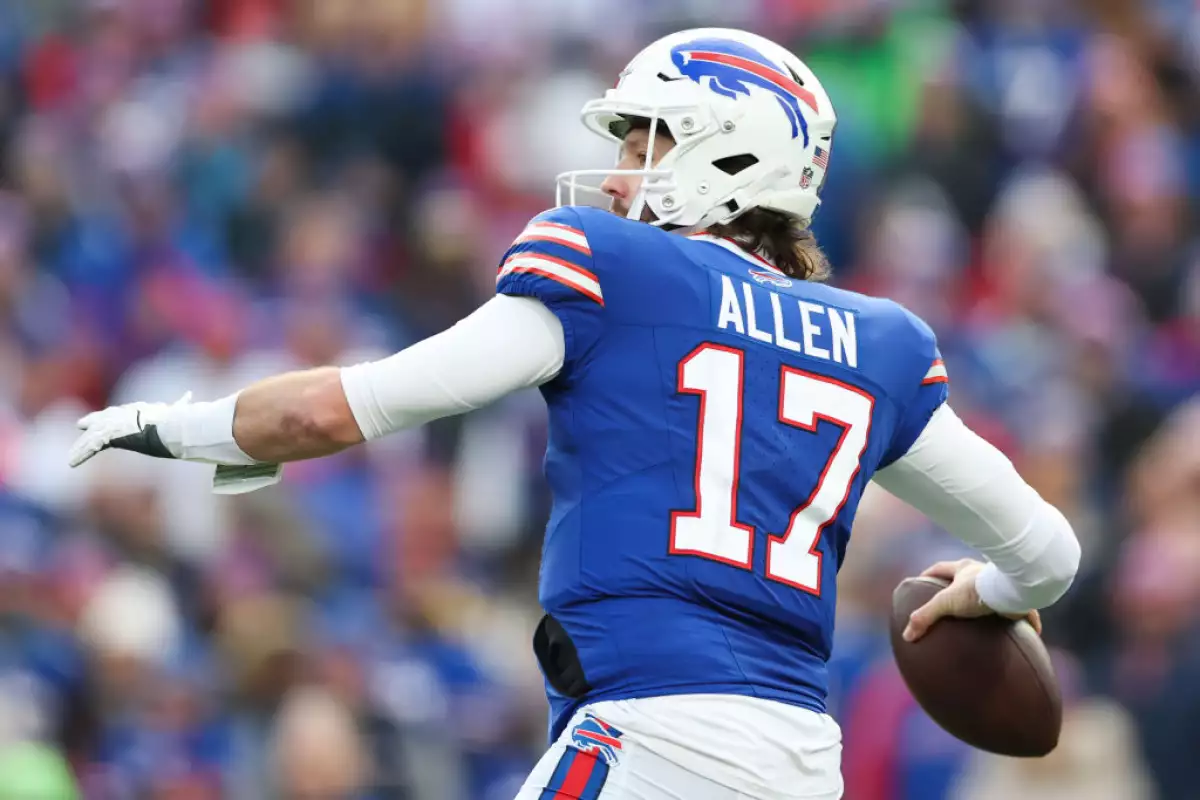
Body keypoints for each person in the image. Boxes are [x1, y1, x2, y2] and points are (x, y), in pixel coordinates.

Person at [68, 28, 1081, 800]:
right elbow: (1051, 554)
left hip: (644, 740)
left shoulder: (612, 269)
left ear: (728, 152)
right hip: (800, 761)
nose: (618, 169)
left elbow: (341, 409)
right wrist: (988, 588)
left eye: (648, 140)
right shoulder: (882, 342)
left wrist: (171, 426)